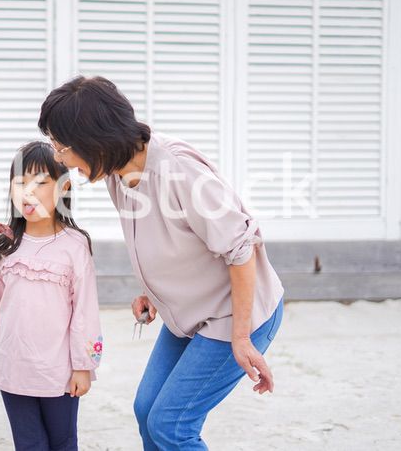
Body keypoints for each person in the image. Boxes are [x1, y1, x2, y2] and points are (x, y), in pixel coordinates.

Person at [38, 76, 285, 450]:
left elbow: (241, 248)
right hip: (189, 311)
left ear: (93, 141)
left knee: (172, 425)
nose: (58, 158)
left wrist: (241, 336)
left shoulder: (179, 170)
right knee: (147, 410)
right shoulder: (117, 172)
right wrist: (153, 288)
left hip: (233, 315)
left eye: (61, 146)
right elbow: (165, 235)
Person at [0, 141, 102, 451]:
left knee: (63, 443)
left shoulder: (75, 245)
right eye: (21, 182)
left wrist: (83, 366)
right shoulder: (4, 246)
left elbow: (85, 312)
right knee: (29, 444)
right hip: (14, 368)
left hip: (59, 372)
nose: (29, 192)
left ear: (62, 187)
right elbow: (0, 305)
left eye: (41, 182)